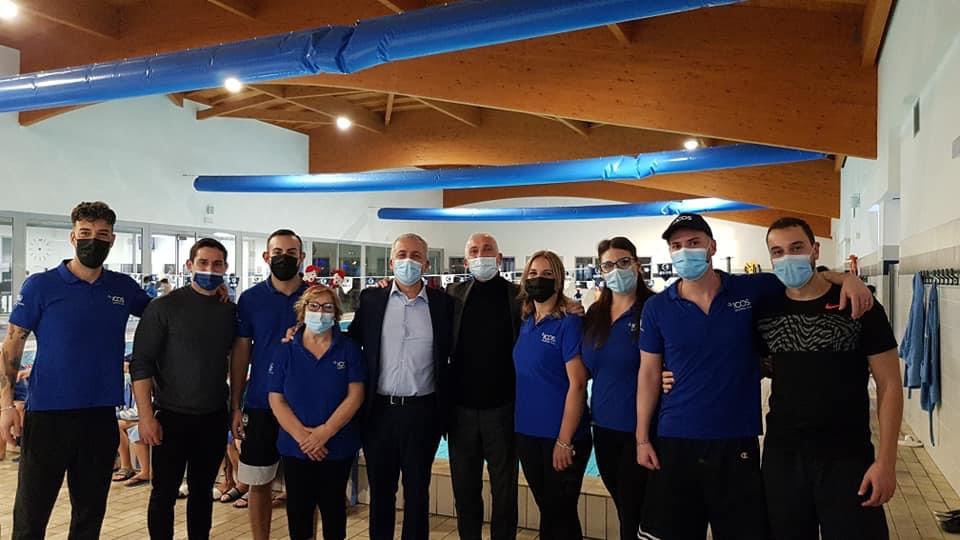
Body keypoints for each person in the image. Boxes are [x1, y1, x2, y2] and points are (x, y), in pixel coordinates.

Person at [635, 212, 875, 540]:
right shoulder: (658, 307)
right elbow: (649, 374)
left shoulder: (751, 289)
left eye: (694, 242)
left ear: (712, 246)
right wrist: (642, 439)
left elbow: (804, 280)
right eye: (676, 246)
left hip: (736, 441)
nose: (685, 251)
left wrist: (846, 278)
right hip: (676, 438)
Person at [0, 201, 152, 539]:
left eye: (102, 234)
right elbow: (11, 347)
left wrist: (206, 295)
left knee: (89, 514)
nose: (92, 240)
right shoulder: (40, 286)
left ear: (112, 240)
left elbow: (165, 314)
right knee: (31, 513)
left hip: (99, 416)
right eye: (85, 233)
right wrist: (6, 406)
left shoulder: (123, 288)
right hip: (48, 416)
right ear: (73, 236)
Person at [758, 217, 901, 539]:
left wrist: (886, 461)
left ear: (815, 250)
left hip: (847, 457)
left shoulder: (859, 305)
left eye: (797, 247)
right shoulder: (766, 309)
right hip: (784, 457)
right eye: (778, 251)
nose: (787, 257)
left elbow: (890, 384)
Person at [348, 233, 454, 540]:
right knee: (381, 493)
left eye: (416, 255)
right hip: (379, 412)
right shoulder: (371, 301)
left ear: (426, 263)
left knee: (418, 493)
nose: (409, 261)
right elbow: (349, 344)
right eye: (402, 255)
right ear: (392, 262)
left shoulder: (444, 305)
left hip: (423, 412)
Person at [130, 237, 237, 539]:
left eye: (217, 264)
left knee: (202, 493)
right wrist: (145, 416)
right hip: (171, 417)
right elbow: (141, 364)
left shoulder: (228, 311)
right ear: (189, 265)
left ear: (225, 268)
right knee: (163, 492)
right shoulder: (163, 307)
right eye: (203, 262)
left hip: (212, 416)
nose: (210, 269)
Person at [268, 285, 366, 540]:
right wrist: (303, 437)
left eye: (327, 307)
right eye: (314, 306)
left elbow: (355, 395)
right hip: (295, 446)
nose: (320, 312)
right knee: (298, 513)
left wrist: (325, 432)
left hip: (337, 445)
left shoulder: (348, 348)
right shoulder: (285, 349)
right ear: (303, 311)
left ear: (336, 314)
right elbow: (276, 399)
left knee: (334, 512)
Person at [231, 229, 309, 540]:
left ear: (301, 257)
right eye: (278, 253)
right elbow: (241, 353)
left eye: (291, 253)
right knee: (258, 482)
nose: (284, 258)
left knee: (304, 487)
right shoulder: (251, 299)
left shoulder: (315, 297)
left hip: (305, 406)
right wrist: (235, 405)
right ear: (266, 256)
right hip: (261, 403)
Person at [445, 233, 521, 540]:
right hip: (460, 412)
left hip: (502, 409)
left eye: (487, 249)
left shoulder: (518, 296)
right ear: (466, 261)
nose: (481, 255)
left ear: (499, 258)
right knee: (464, 491)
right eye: (474, 251)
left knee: (504, 491)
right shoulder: (453, 295)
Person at [513, 250, 590, 540]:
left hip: (561, 436)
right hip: (527, 433)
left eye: (547, 274)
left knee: (560, 514)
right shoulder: (525, 321)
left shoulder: (569, 322)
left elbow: (578, 384)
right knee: (551, 512)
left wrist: (564, 440)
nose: (538, 279)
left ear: (558, 281)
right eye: (533, 274)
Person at [581, 237, 655, 540]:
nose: (616, 270)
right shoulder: (594, 315)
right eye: (608, 265)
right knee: (625, 509)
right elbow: (586, 367)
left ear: (636, 264)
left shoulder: (652, 308)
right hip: (603, 427)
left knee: (635, 513)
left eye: (624, 262)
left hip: (641, 430)